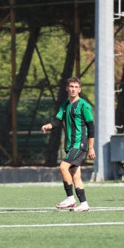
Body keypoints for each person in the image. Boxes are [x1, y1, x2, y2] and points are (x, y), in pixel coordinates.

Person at [41, 77, 95, 212]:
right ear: (67, 88)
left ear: (80, 89)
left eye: (76, 87)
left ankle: (70, 199)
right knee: (76, 176)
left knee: (63, 167)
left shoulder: (84, 105)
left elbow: (91, 127)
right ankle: (84, 204)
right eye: (71, 86)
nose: (73, 89)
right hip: (71, 145)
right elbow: (57, 122)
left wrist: (91, 147)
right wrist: (48, 126)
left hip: (79, 144)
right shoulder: (65, 105)